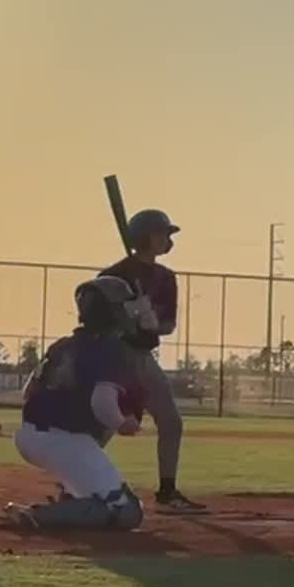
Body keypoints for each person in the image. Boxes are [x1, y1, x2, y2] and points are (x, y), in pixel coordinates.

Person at [5, 276, 149, 531]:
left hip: (30, 435)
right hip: (65, 439)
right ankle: (37, 515)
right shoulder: (111, 347)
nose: (128, 311)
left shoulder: (63, 345)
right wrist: (121, 423)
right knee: (124, 510)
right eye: (122, 306)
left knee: (95, 491)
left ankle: (70, 499)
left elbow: (28, 392)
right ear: (112, 312)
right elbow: (102, 403)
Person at [100, 208, 205, 513]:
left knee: (171, 421)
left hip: (144, 357)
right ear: (144, 237)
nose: (167, 239)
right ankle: (75, 483)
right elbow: (93, 315)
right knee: (108, 423)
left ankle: (167, 491)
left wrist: (152, 320)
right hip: (115, 357)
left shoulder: (165, 278)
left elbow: (169, 325)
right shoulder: (114, 274)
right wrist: (128, 314)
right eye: (162, 233)